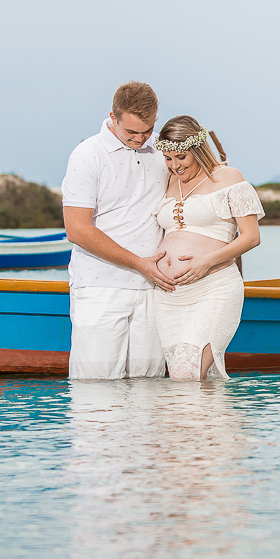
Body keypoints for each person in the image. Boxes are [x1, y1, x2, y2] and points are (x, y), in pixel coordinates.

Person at [61, 81, 176, 379]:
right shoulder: (87, 155)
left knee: (148, 393)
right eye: (131, 132)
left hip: (153, 288)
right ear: (113, 117)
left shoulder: (162, 155)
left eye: (147, 130)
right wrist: (139, 264)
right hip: (100, 287)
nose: (140, 138)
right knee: (96, 394)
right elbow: (76, 229)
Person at [152, 115, 264, 380]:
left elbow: (251, 237)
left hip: (212, 287)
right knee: (191, 378)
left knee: (185, 375)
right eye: (168, 158)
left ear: (198, 149)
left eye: (181, 157)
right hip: (169, 297)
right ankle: (217, 422)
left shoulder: (228, 177)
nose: (174, 165)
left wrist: (206, 261)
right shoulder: (169, 181)